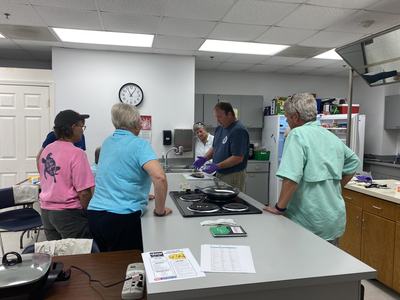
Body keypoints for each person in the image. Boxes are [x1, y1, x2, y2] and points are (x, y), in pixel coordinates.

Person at [264, 93, 360, 245]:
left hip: (308, 219)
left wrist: (279, 208)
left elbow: (291, 178)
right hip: (333, 218)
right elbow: (354, 162)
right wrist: (335, 186)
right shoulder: (329, 135)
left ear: (295, 117)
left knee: (304, 265)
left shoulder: (297, 134)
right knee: (329, 265)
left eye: (288, 117)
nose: (287, 121)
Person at [87, 103, 172, 252]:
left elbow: (118, 174)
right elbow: (160, 178)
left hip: (95, 215)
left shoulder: (107, 142)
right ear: (136, 124)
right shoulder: (139, 144)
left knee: (105, 266)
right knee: (128, 268)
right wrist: (160, 210)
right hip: (122, 218)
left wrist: (142, 193)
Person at [38, 110, 94, 240]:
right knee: (78, 256)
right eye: (81, 126)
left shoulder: (47, 150)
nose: (82, 130)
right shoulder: (77, 153)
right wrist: (86, 213)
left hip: (46, 212)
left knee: (58, 256)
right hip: (68, 214)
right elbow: (84, 193)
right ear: (73, 127)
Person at [193, 102, 249, 191]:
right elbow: (215, 148)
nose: (218, 120)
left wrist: (217, 166)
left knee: (231, 203)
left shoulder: (238, 130)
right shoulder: (220, 128)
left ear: (229, 114)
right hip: (220, 173)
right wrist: (204, 158)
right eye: (216, 117)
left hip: (233, 175)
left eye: (220, 117)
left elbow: (238, 158)